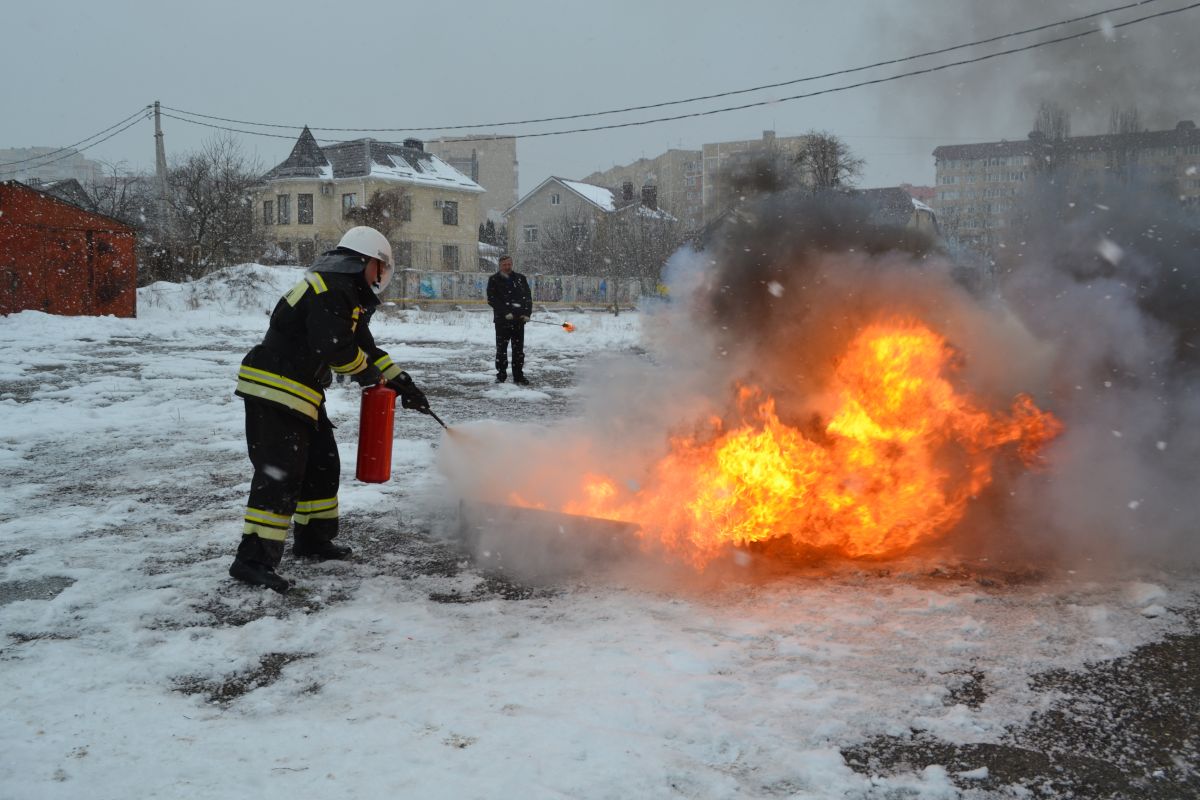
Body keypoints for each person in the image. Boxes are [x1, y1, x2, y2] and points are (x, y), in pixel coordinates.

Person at [228, 226, 431, 593]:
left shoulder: (345, 294)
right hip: (275, 388)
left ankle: (313, 540)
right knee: (280, 476)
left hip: (299, 393)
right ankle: (252, 561)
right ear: (366, 261)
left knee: (322, 465)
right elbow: (336, 348)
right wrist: (369, 377)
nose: (380, 275)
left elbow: (364, 349)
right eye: (379, 267)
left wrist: (403, 384)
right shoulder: (329, 288)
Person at [486, 254, 533, 384]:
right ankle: (501, 376)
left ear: (512, 264)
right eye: (504, 265)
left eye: (509, 264)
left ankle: (518, 376)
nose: (507, 267)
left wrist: (527, 313)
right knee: (501, 350)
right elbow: (491, 299)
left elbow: (527, 298)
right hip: (502, 322)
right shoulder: (494, 280)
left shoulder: (520, 279)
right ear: (500, 265)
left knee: (518, 351)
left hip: (519, 321)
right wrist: (505, 312)